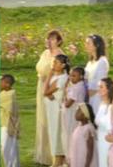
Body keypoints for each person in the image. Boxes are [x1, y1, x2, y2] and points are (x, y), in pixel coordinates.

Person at [36, 30, 64, 166]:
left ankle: (55, 156)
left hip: (52, 88)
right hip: (40, 85)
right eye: (48, 39)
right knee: (42, 118)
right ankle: (44, 154)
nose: (49, 41)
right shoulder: (45, 53)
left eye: (52, 39)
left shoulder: (60, 55)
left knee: (52, 120)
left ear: (58, 41)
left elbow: (60, 73)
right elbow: (40, 68)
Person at [44, 54, 70, 167]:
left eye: (56, 62)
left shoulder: (62, 78)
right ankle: (57, 159)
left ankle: (59, 160)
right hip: (51, 108)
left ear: (63, 65)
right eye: (53, 62)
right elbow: (47, 93)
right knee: (52, 131)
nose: (53, 64)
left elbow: (45, 91)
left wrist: (49, 76)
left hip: (56, 109)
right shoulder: (58, 77)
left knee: (57, 132)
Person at [62, 66, 86, 162]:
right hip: (71, 112)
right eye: (70, 76)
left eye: (74, 76)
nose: (71, 78)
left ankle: (71, 158)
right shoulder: (77, 86)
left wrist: (64, 97)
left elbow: (68, 104)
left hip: (72, 114)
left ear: (81, 76)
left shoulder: (77, 88)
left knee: (70, 134)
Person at [0, 74, 20, 167]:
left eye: (1, 82)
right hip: (3, 123)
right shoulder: (4, 93)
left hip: (7, 125)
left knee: (5, 147)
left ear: (7, 84)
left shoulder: (9, 95)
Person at [85, 34, 109, 113]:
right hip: (88, 94)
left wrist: (89, 93)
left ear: (97, 45)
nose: (86, 46)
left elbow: (99, 81)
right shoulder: (90, 62)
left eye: (88, 43)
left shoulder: (102, 61)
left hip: (96, 97)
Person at [96, 78, 113, 167]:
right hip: (100, 139)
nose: (98, 89)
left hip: (109, 142)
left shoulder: (112, 107)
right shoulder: (102, 104)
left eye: (101, 87)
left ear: (108, 90)